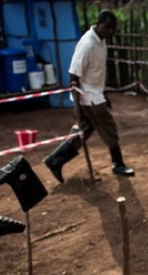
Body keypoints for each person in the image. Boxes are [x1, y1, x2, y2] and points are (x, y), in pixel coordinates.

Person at [44, 10, 134, 183]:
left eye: (113, 29)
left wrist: (104, 93)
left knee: (85, 130)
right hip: (89, 97)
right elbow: (74, 73)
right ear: (98, 23)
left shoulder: (101, 40)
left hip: (96, 93)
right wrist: (77, 101)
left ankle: (55, 160)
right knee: (109, 128)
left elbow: (97, 73)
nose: (110, 32)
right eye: (108, 28)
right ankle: (118, 163)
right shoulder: (87, 43)